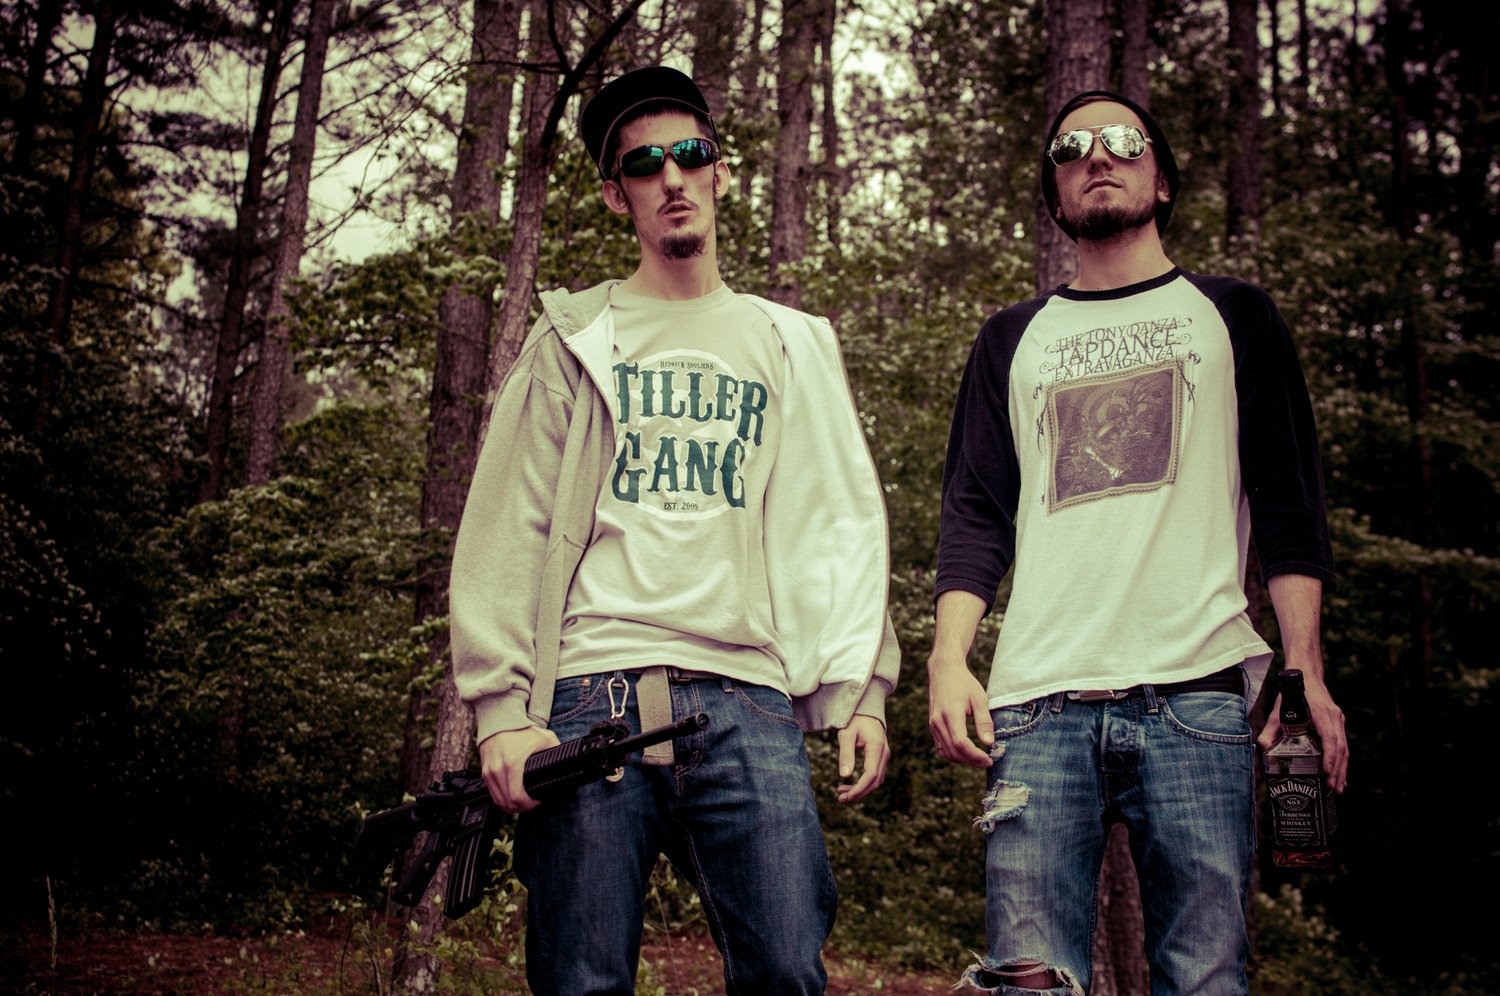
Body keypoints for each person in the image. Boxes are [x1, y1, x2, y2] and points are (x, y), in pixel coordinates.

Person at [448, 65, 899, 995]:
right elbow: (507, 525)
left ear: (721, 171)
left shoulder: (790, 341)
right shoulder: (574, 338)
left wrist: (863, 687)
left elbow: (834, 522)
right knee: (582, 981)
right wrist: (500, 711)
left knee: (786, 971)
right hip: (589, 696)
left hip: (749, 702)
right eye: (645, 164)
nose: (673, 177)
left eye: (690, 153)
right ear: (618, 195)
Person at [927, 89, 1350, 995]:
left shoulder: (1233, 316)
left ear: (1160, 180)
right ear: (1055, 192)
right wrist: (949, 659)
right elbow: (975, 512)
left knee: (1205, 979)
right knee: (1028, 982)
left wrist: (1304, 670)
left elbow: (1288, 504)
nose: (1096, 155)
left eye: (1123, 139)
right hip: (1037, 705)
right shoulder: (1010, 339)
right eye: (1071, 146)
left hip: (1198, 697)